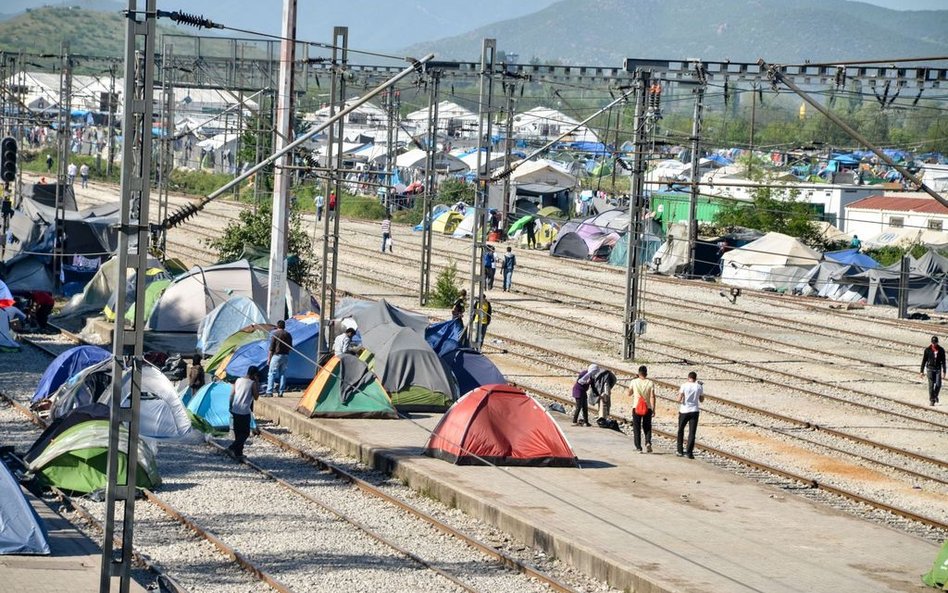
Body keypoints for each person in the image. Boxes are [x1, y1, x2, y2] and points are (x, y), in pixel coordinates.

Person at [228, 365, 259, 461]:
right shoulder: (252, 383)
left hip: (235, 409)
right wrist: (257, 383)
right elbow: (256, 397)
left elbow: (232, 394)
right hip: (244, 411)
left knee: (238, 432)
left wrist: (230, 406)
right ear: (254, 374)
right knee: (245, 433)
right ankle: (232, 447)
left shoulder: (238, 380)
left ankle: (238, 453)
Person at [627, 365, 656, 453]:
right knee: (647, 426)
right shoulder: (650, 383)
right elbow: (652, 397)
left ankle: (638, 447)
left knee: (637, 427)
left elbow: (629, 393)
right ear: (646, 374)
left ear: (639, 373)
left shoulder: (634, 381)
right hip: (647, 408)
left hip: (637, 407)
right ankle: (648, 442)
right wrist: (653, 409)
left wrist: (633, 381)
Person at [676, 371, 704, 459]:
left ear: (688, 378)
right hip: (694, 411)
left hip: (684, 410)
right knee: (692, 432)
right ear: (695, 378)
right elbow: (701, 400)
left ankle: (680, 450)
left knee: (681, 430)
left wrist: (681, 398)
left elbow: (679, 399)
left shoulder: (684, 385)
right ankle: (689, 452)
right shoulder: (699, 386)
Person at [266, 320, 293, 397]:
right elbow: (290, 348)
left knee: (272, 373)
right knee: (283, 374)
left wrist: (269, 359)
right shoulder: (288, 334)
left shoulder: (275, 334)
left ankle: (269, 392)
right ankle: (281, 392)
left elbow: (271, 349)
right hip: (285, 356)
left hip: (276, 356)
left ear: (277, 326)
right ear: (284, 326)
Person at [920, 335, 945, 406]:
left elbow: (943, 361)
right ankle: (932, 399)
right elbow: (924, 361)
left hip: (938, 369)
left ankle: (935, 396)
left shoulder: (941, 350)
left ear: (937, 343)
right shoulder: (927, 350)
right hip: (930, 369)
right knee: (931, 385)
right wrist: (921, 371)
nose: (934, 344)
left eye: (935, 343)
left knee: (938, 384)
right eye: (933, 343)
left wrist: (944, 371)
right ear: (931, 343)